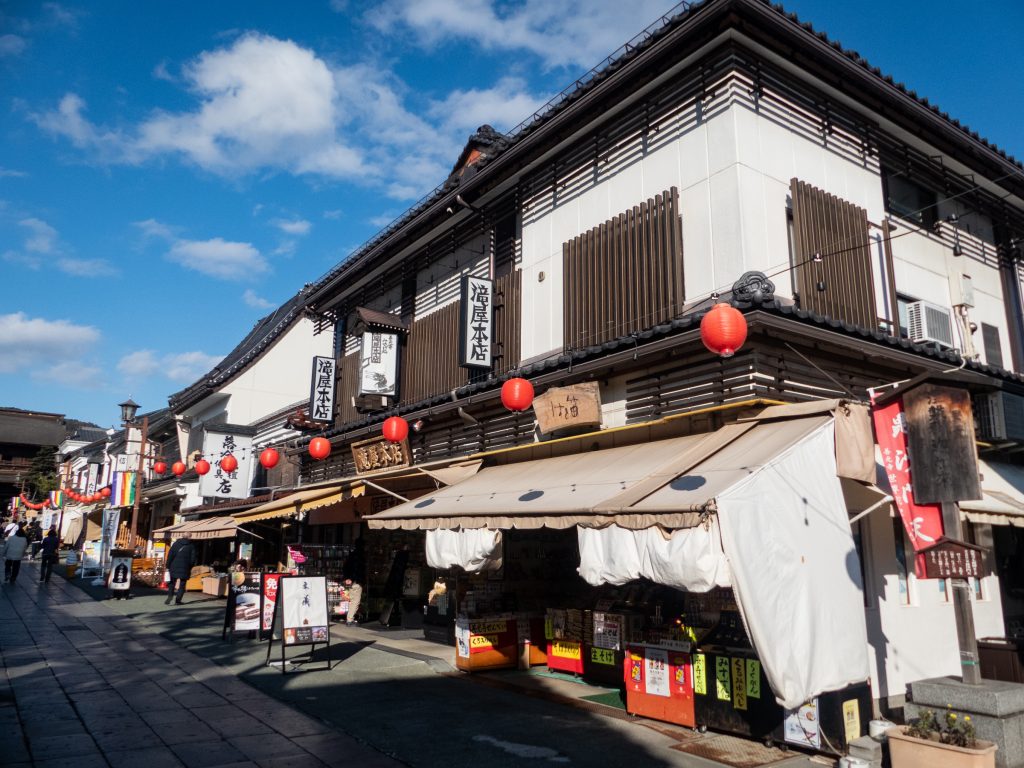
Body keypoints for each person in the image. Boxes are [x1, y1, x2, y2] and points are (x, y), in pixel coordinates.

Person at [164, 536, 196, 605]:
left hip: (174, 566)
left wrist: (167, 566)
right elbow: (193, 559)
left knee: (172, 583)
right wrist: (190, 566)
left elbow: (170, 555)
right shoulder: (191, 546)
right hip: (185, 568)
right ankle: (178, 600)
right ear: (189, 537)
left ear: (182, 536)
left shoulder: (175, 544)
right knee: (182, 585)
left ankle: (170, 597)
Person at [341, 539, 365, 625]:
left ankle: (349, 618)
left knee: (351, 599)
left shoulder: (352, 554)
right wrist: (353, 578)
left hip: (350, 581)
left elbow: (345, 567)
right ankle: (350, 620)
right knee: (355, 601)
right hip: (356, 581)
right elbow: (357, 569)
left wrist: (347, 578)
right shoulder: (360, 556)